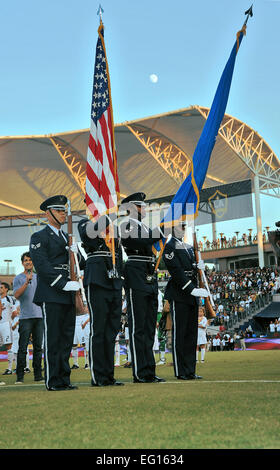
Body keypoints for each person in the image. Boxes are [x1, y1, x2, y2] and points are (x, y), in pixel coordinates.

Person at [29, 195, 81, 391]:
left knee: (66, 337)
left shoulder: (67, 237)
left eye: (64, 210)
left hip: (68, 292)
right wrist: (63, 284)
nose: (63, 213)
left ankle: (64, 379)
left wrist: (77, 252)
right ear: (48, 213)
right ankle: (52, 380)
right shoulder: (39, 237)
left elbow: (79, 264)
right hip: (52, 292)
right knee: (53, 338)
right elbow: (42, 266)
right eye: (58, 210)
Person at [119, 192, 165, 383]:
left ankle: (149, 371)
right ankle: (140, 371)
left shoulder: (144, 227)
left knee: (148, 327)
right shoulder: (126, 225)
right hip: (136, 272)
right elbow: (137, 241)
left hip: (149, 273)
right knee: (138, 326)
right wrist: (159, 231)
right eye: (141, 206)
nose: (144, 209)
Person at [78, 213, 124, 387]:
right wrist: (108, 214)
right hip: (97, 280)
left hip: (114, 283)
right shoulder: (85, 223)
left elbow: (118, 253)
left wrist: (120, 278)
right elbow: (89, 234)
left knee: (111, 331)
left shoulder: (113, 228)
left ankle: (108, 375)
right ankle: (98, 376)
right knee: (98, 329)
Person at [163, 220, 209, 380]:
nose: (183, 230)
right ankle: (180, 371)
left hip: (192, 295)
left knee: (191, 335)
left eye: (184, 227)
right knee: (180, 334)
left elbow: (191, 268)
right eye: (180, 227)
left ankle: (190, 370)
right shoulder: (169, 247)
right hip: (180, 293)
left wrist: (198, 267)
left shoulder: (189, 247)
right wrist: (191, 289)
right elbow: (176, 271)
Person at [13, 252, 44, 384]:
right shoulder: (18, 278)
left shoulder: (38, 277)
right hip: (25, 317)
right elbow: (16, 295)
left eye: (30, 260)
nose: (28, 262)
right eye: (26, 260)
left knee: (38, 347)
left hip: (39, 316)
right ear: (22, 263)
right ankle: (20, 376)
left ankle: (38, 375)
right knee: (22, 347)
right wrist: (26, 282)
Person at [0, 282, 18, 375]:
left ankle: (10, 368)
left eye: (2, 287)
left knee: (8, 346)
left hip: (5, 324)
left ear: (6, 289)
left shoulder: (9, 299)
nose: (0, 289)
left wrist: (9, 321)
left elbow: (15, 312)